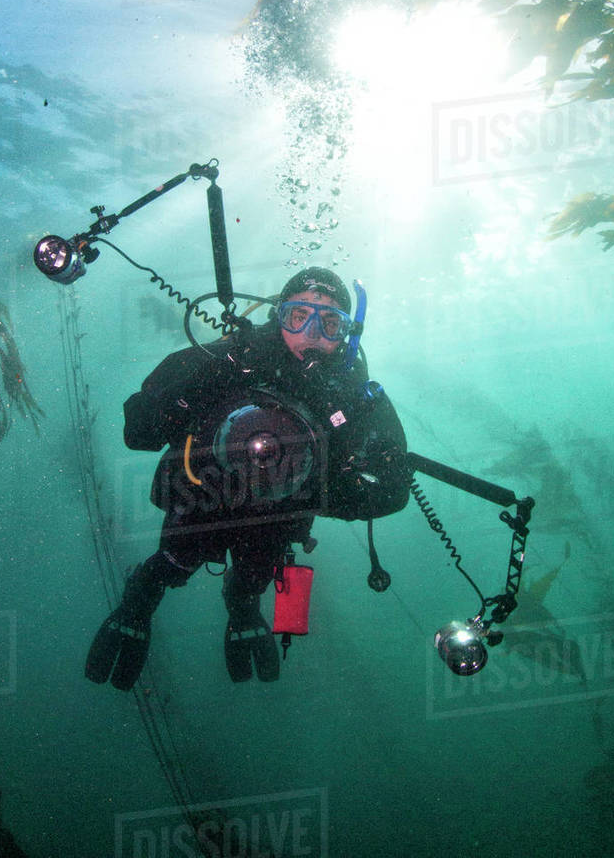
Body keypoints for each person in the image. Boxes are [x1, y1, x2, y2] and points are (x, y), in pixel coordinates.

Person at [85, 267, 411, 690]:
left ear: (347, 335)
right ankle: (135, 607)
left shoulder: (353, 395)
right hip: (203, 499)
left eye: (330, 323)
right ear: (279, 315)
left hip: (278, 518)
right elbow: (139, 432)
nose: (311, 333)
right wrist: (201, 382)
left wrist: (315, 488)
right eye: (299, 316)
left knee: (253, 579)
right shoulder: (233, 358)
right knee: (171, 563)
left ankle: (242, 610)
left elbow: (393, 492)